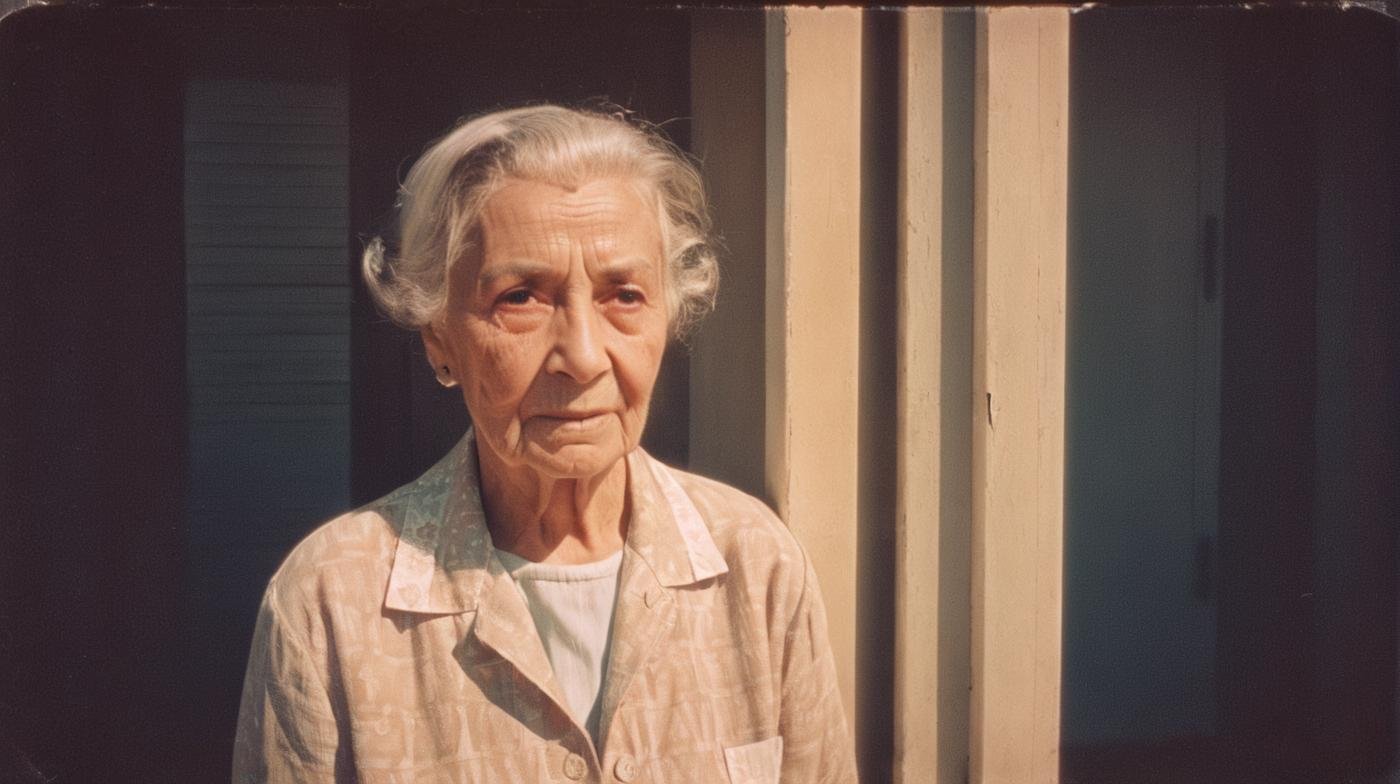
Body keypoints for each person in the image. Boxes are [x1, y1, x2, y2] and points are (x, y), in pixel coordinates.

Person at [233, 104, 856, 783]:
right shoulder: (332, 598)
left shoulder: (756, 566)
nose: (583, 357)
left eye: (624, 294)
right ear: (439, 337)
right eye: (522, 296)